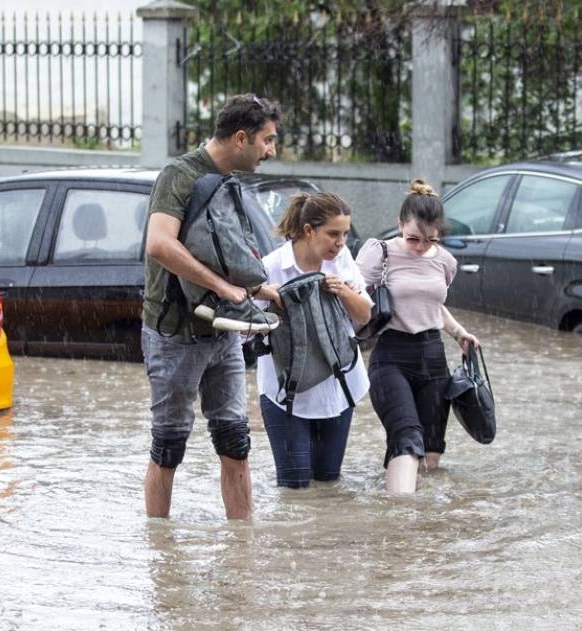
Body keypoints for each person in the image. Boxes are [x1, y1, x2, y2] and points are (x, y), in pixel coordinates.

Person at [141, 93, 282, 519]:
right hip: (174, 334)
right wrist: (222, 287)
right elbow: (159, 244)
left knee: (236, 443)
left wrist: (260, 289)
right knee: (169, 447)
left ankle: (242, 553)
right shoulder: (179, 176)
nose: (271, 151)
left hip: (223, 332)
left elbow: (223, 252)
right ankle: (160, 561)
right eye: (268, 140)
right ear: (241, 138)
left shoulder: (229, 183)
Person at [355, 179, 480, 494]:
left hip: (433, 358)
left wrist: (459, 333)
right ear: (399, 224)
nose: (421, 246)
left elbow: (434, 307)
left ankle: (423, 529)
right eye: (412, 238)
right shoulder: (378, 253)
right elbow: (351, 295)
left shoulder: (445, 261)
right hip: (390, 356)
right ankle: (400, 519)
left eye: (429, 239)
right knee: (408, 438)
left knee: (432, 454)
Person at [255, 192, 372, 489]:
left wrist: (343, 291)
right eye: (333, 234)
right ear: (309, 230)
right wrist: (270, 297)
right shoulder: (271, 268)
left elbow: (365, 315)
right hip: (285, 396)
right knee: (293, 489)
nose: (341, 242)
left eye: (345, 234)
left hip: (339, 389)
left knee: (328, 487)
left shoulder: (341, 260)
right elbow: (248, 329)